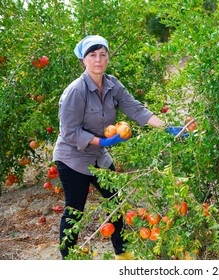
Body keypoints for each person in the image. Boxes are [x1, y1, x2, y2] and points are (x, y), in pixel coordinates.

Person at [53, 35, 168, 260]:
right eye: (93, 55)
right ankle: (69, 260)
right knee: (75, 209)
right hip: (73, 158)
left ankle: (123, 255)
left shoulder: (113, 84)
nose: (98, 60)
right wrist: (102, 141)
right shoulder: (76, 91)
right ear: (83, 60)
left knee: (115, 202)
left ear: (108, 58)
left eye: (103, 54)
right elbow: (69, 131)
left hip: (99, 157)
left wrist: (166, 127)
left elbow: (135, 108)